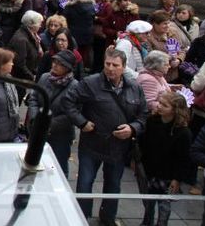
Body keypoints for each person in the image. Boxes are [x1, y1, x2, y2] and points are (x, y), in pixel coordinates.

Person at [63, 49, 148, 225]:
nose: (110, 68)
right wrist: (82, 122)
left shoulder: (135, 87)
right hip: (92, 144)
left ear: (124, 67)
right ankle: (81, 217)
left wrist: (133, 128)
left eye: (115, 65)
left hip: (118, 147)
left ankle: (108, 217)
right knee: (85, 183)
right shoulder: (89, 83)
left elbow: (143, 116)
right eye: (107, 64)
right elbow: (68, 102)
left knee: (113, 185)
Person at [139, 91, 192, 226]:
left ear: (175, 110)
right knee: (148, 202)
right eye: (160, 103)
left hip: (168, 174)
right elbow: (144, 143)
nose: (159, 106)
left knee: (164, 206)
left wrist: (177, 179)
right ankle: (147, 222)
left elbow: (184, 158)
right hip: (150, 169)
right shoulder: (152, 121)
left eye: (165, 105)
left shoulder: (183, 132)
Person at [27, 49, 79, 177]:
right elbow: (33, 98)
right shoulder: (45, 77)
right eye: (54, 61)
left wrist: (48, 124)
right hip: (38, 132)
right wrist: (36, 119)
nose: (54, 65)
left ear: (68, 68)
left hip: (60, 136)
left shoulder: (75, 86)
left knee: (58, 169)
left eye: (60, 63)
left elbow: (72, 114)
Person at [63, 0, 96, 71]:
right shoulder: (91, 6)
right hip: (87, 33)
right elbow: (93, 18)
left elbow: (65, 18)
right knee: (85, 52)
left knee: (73, 50)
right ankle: (83, 67)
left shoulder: (70, 6)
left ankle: (73, 67)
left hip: (74, 32)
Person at [8, 10, 44, 82]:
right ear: (32, 25)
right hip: (20, 80)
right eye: (39, 23)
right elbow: (20, 64)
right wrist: (32, 77)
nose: (40, 26)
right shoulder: (21, 40)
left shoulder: (32, 35)